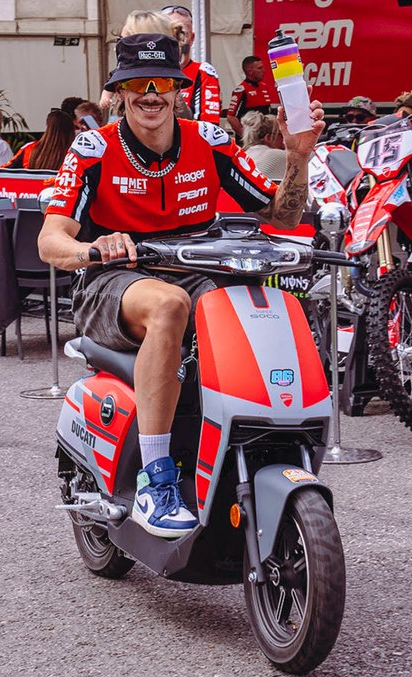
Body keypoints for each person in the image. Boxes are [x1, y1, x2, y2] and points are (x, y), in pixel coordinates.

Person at [37, 33, 320, 538]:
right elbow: (50, 240)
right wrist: (95, 248)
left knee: (255, 309)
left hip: (195, 269)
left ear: (177, 90)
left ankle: (244, 445)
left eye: (162, 83)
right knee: (170, 305)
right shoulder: (94, 148)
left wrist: (298, 155)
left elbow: (282, 215)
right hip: (113, 280)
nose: (151, 94)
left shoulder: (209, 141)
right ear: (120, 93)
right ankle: (156, 479)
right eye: (137, 84)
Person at [162, 4, 223, 123]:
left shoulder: (203, 71)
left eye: (181, 34)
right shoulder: (143, 70)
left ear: (192, 38)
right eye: (169, 34)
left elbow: (208, 127)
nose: (175, 40)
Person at [4, 109, 75, 170]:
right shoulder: (75, 153)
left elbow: (4, 171)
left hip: (33, 182)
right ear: (71, 131)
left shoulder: (29, 149)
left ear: (48, 128)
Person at [226, 55, 273, 138]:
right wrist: (245, 136)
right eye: (259, 68)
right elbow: (231, 117)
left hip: (264, 137)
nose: (263, 70)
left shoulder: (264, 86)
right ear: (250, 72)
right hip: (249, 140)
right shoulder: (241, 90)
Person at [240, 110, 287, 180]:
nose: (284, 139)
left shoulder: (245, 153)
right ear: (268, 138)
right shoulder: (276, 155)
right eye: (281, 135)